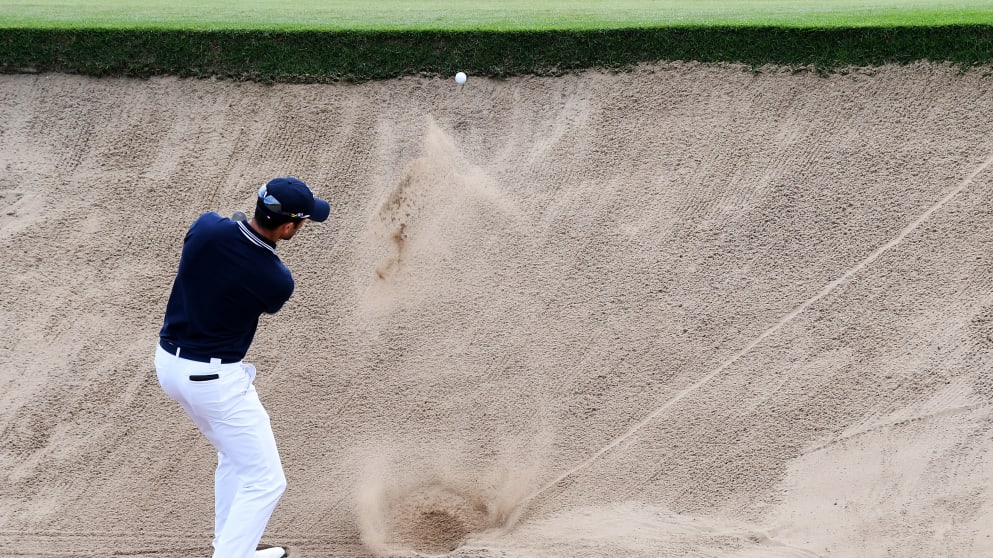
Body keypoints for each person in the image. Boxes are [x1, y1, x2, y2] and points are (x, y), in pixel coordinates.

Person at [155, 177, 331, 558]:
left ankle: (234, 547)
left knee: (235, 457)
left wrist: (235, 233)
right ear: (287, 227)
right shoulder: (275, 279)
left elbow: (221, 235)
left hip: (168, 364)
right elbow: (263, 294)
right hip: (213, 382)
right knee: (267, 480)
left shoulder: (205, 230)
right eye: (301, 222)